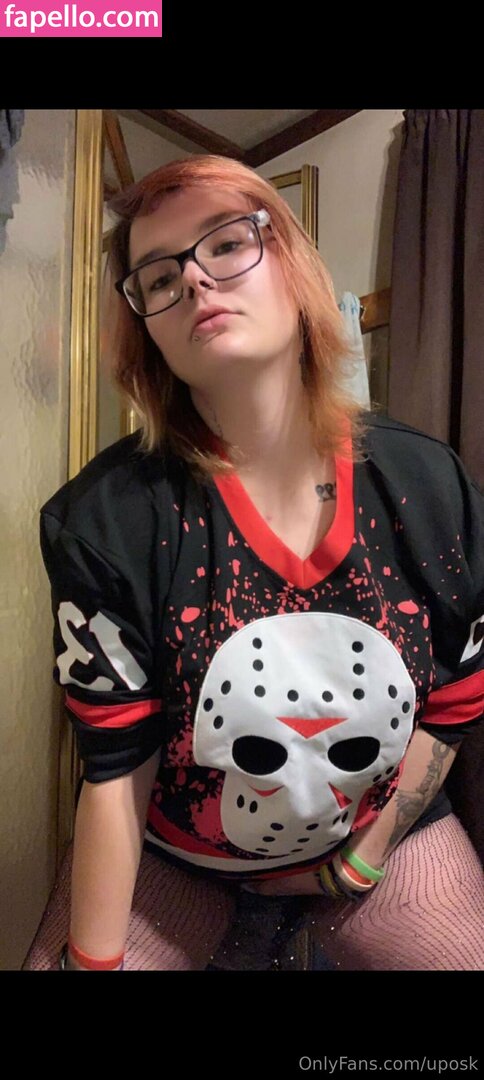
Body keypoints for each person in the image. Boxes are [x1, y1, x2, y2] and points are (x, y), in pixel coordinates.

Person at [29, 154, 484, 972]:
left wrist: (358, 864)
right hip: (180, 858)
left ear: (294, 263)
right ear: (146, 328)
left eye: (227, 243)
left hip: (382, 831)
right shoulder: (105, 520)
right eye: (158, 276)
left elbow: (454, 701)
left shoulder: (429, 485)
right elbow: (116, 766)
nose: (194, 280)